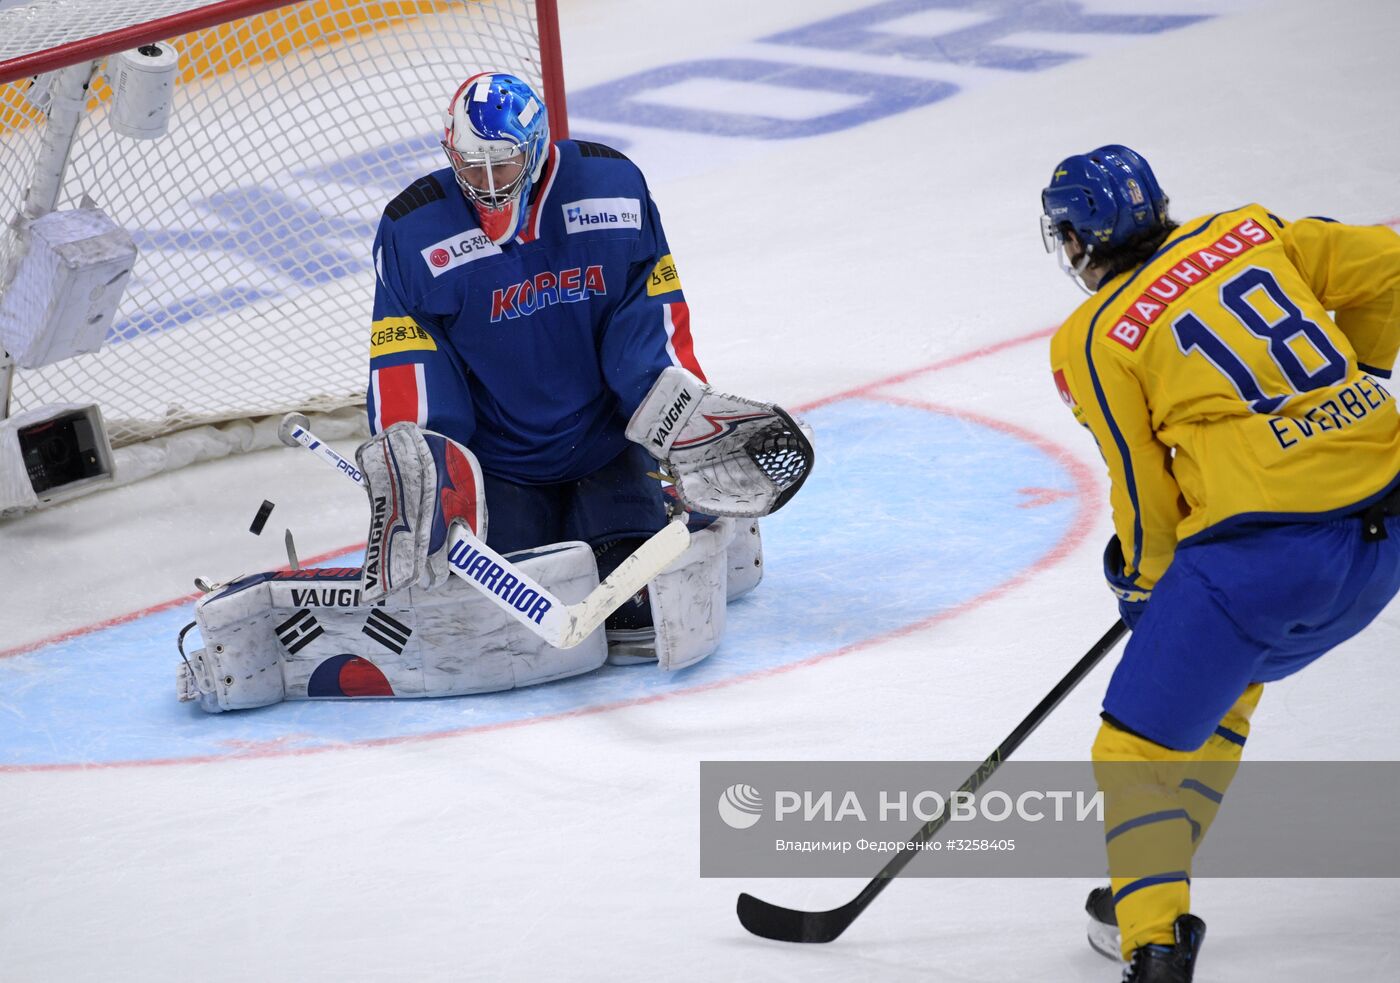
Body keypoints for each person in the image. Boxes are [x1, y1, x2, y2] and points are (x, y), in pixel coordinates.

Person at [1040, 145, 1400, 981]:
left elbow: (1141, 490)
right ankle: (1147, 878)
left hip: (1268, 567)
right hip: (1384, 529)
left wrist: (1144, 591)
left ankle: (1155, 945)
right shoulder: (1252, 229)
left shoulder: (1092, 337)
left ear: (1076, 239)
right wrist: (1366, 377)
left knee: (1132, 749)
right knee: (1224, 684)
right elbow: (1389, 271)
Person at [359, 72, 813, 662]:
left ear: (538, 149)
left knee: (633, 597)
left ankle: (635, 515)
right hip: (502, 463)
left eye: (503, 166)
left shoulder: (613, 191)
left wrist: (683, 424)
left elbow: (651, 323)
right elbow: (408, 361)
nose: (488, 186)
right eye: (472, 168)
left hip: (607, 447)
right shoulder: (413, 231)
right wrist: (422, 461)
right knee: (505, 612)